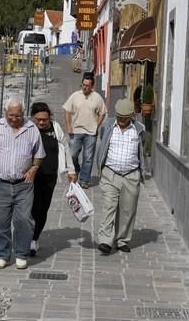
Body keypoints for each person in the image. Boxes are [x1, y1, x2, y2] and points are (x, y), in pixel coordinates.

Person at [0, 96, 45, 270]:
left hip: (23, 184)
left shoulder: (31, 128)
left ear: (23, 113)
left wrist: (34, 168)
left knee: (24, 219)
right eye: (11, 115)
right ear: (5, 112)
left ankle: (21, 253)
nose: (14, 118)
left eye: (17, 115)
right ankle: (2, 254)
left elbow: (39, 154)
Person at [95, 98, 146, 255]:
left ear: (131, 115)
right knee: (108, 207)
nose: (122, 120)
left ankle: (122, 240)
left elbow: (141, 147)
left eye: (125, 117)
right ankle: (105, 240)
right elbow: (103, 142)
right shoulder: (108, 126)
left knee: (127, 210)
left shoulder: (139, 129)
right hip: (110, 173)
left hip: (131, 175)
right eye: (119, 117)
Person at [28, 102, 74, 256]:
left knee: (43, 209)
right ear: (32, 118)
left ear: (49, 118)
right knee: (33, 208)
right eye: (38, 119)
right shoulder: (28, 129)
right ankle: (29, 238)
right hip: (32, 176)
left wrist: (71, 170)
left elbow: (65, 147)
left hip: (50, 176)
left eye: (44, 119)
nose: (41, 122)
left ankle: (35, 237)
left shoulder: (55, 128)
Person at [63, 75, 107, 189]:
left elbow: (102, 112)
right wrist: (68, 126)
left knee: (88, 157)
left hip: (91, 133)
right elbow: (67, 111)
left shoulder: (97, 97)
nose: (85, 87)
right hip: (76, 131)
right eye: (83, 85)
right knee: (72, 155)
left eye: (87, 85)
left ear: (92, 86)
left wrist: (97, 125)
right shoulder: (75, 96)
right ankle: (76, 169)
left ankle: (84, 180)